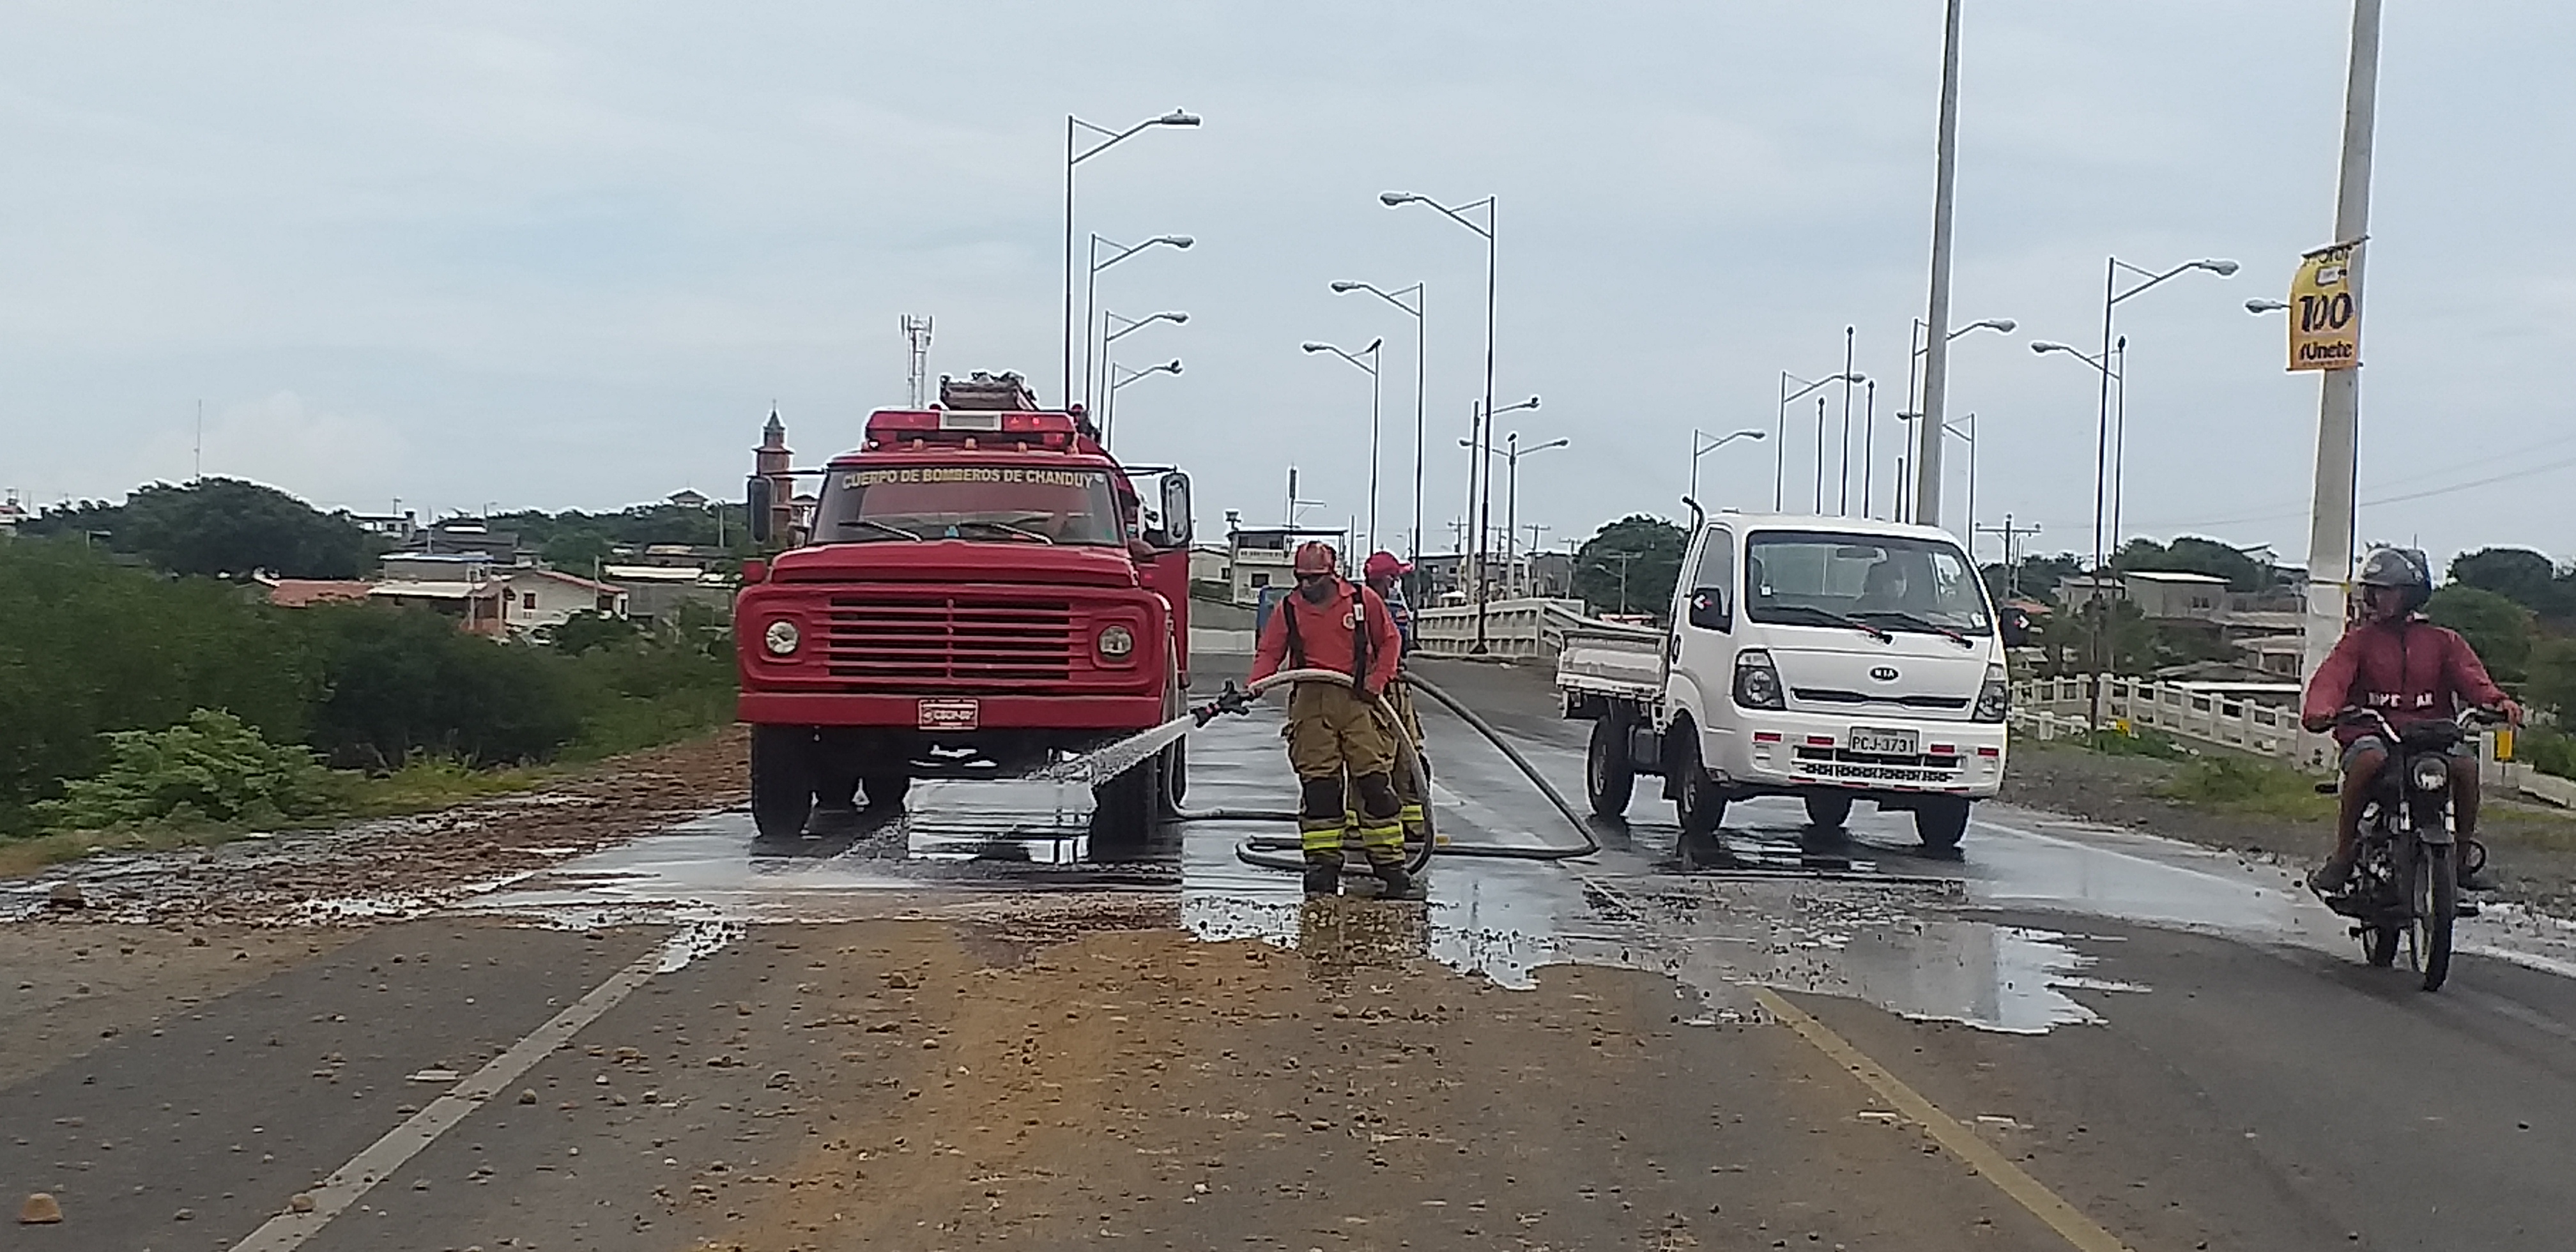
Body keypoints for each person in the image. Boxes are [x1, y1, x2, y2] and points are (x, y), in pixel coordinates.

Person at [2299, 547, 2520, 895]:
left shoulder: (2443, 641)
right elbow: (2332, 680)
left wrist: (2497, 701)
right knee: (2369, 759)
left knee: (2465, 766)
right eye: (2375, 591)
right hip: (2374, 731)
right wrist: (2321, 710)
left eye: (2389, 591)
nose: (2379, 599)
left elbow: (2473, 678)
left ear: (2412, 595)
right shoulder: (2358, 642)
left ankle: (2461, 859)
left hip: (2432, 736)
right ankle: (2342, 857)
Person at [1252, 542, 1409, 897]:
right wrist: (1255, 686)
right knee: (1320, 790)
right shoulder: (1289, 609)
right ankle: (1322, 867)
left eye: (1314, 579)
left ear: (1332, 573)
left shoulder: (1362, 601)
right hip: (1311, 704)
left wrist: (1377, 682)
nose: (1307, 586)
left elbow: (1389, 642)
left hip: (1358, 700)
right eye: (1301, 578)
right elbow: (1270, 652)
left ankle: (1390, 865)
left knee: (1374, 786)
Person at [1362, 551, 1430, 846]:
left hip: (1390, 687)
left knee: (1409, 759)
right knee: (1376, 763)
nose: (1396, 585)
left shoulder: (1367, 604)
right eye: (1395, 579)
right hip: (1380, 691)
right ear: (1387, 580)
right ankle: (1379, 830)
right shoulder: (1372, 607)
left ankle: (1412, 823)